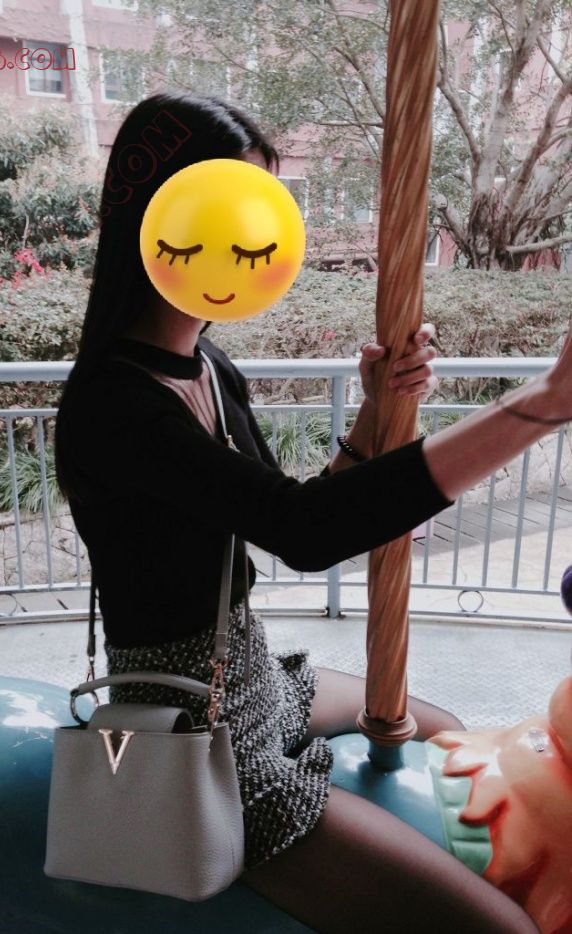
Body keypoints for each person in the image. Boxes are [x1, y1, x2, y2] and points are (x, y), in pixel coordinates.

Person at [55, 91, 570, 933]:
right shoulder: (114, 404)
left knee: (443, 727)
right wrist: (541, 405)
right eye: (231, 208)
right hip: (189, 718)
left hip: (252, 671)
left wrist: (373, 410)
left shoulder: (208, 367)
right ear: (163, 218)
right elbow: (307, 531)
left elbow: (297, 511)